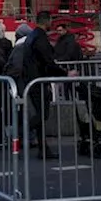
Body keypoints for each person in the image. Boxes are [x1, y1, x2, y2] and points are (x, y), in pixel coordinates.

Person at [23, 11, 75, 159]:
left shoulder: (32, 37)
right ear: (47, 21)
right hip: (38, 80)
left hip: (32, 80)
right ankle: (20, 131)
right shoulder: (40, 38)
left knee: (41, 115)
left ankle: (43, 148)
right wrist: (65, 73)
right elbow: (47, 61)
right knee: (42, 114)